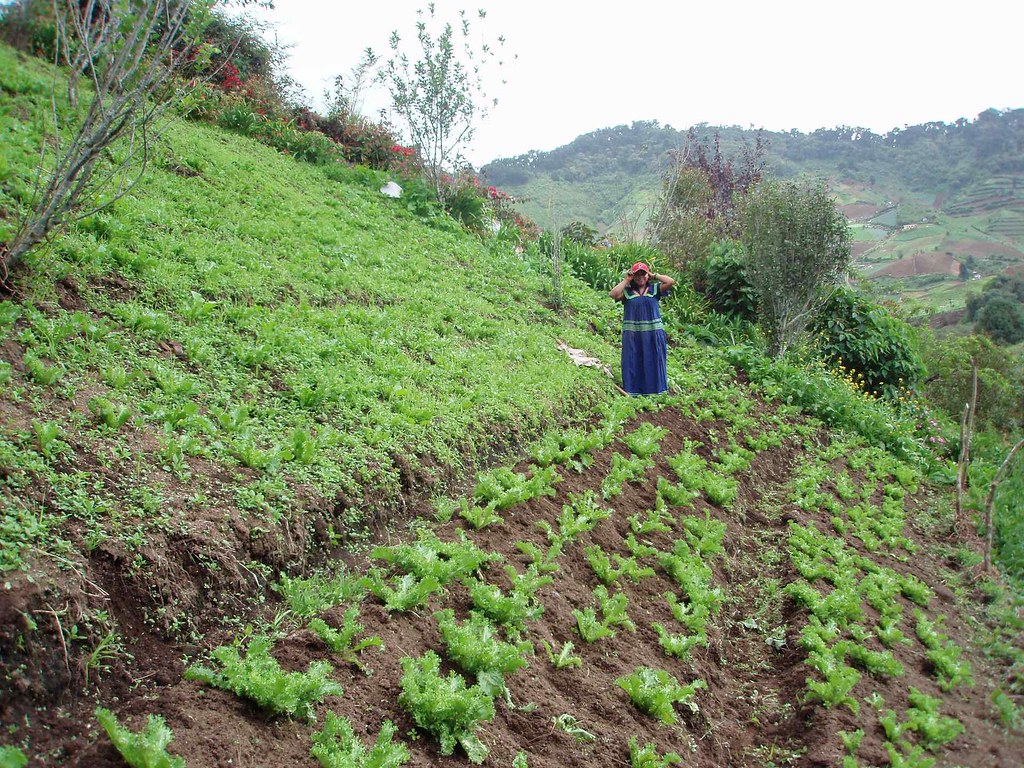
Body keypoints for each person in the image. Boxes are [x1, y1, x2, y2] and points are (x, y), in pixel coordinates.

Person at [609, 261, 676, 396]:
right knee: (633, 360)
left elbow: (670, 281)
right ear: (633, 276)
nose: (640, 277)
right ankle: (633, 391)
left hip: (653, 333)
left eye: (643, 274)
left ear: (647, 275)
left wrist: (654, 275)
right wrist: (626, 279)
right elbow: (613, 294)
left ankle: (656, 391)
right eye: (637, 275)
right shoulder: (627, 292)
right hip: (633, 335)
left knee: (654, 360)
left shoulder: (655, 289)